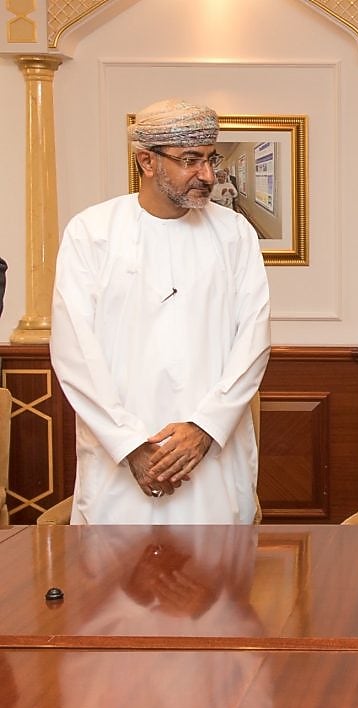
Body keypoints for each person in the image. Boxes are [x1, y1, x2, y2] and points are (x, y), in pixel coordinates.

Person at [50, 99, 270, 524]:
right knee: (115, 586)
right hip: (120, 462)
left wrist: (204, 429)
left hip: (211, 459)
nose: (207, 175)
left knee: (217, 582)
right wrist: (131, 444)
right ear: (146, 161)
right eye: (190, 160)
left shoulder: (235, 234)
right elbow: (74, 351)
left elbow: (253, 342)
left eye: (210, 160)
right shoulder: (91, 232)